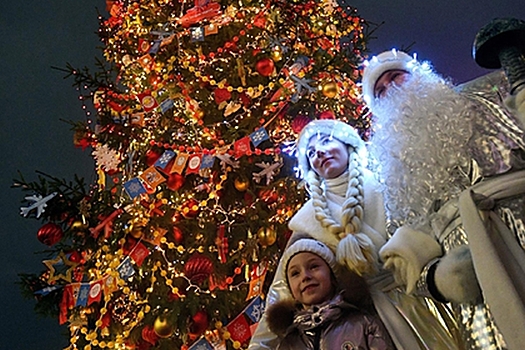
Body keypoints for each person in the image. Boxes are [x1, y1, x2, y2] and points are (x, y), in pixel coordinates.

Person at [249, 119, 462, 349]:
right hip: (370, 324)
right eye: (310, 153)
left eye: (326, 140)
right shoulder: (307, 221)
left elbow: (431, 223)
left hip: (428, 297)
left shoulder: (388, 182)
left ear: (347, 143)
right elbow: (282, 289)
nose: (319, 152)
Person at [362, 49, 525, 350]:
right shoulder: (390, 169)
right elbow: (404, 262)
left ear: (420, 76)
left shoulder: (484, 94)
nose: (391, 90)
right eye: (380, 90)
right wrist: (438, 280)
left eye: (396, 76)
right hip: (474, 276)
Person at [266, 236, 395, 350]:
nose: (305, 276)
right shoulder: (288, 344)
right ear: (291, 292)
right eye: (295, 273)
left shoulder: (363, 324)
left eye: (314, 267)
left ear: (332, 276)